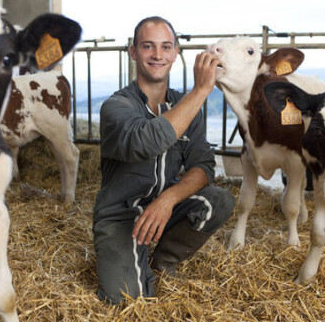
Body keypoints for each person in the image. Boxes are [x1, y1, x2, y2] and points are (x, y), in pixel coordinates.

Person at [93, 16, 235, 305]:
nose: (158, 55)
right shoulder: (116, 107)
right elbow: (149, 140)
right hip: (122, 215)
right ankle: (130, 255)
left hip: (164, 208)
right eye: (148, 46)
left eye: (165, 47)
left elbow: (204, 166)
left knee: (218, 200)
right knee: (126, 302)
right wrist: (201, 91)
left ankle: (163, 259)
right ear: (133, 52)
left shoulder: (186, 104)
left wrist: (168, 199)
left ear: (175, 53)